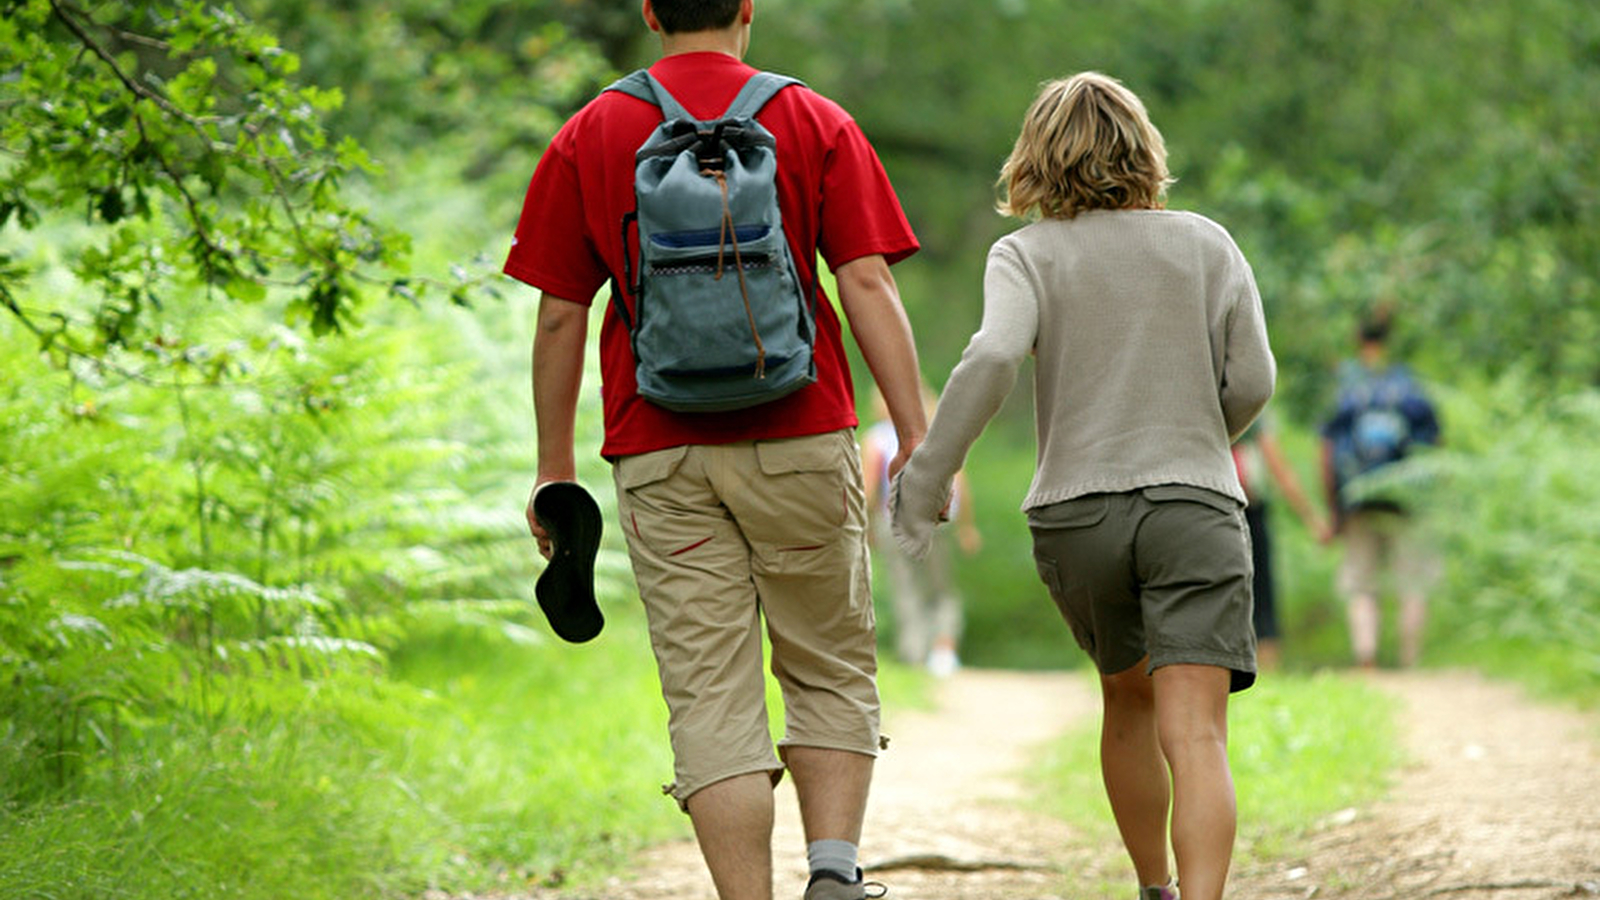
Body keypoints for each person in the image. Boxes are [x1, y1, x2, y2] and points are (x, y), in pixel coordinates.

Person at [502, 3, 928, 899]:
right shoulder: (813, 119)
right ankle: (834, 871)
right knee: (826, 659)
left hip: (659, 451)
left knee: (709, 694)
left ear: (651, 10)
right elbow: (865, 280)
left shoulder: (593, 130)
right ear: (746, 8)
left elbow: (558, 315)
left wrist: (555, 471)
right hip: (804, 435)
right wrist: (917, 438)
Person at [891, 72, 1274, 900]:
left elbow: (993, 357)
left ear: (1036, 159)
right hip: (1195, 505)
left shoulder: (1024, 254)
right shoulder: (1208, 244)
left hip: (1077, 512)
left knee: (1127, 704)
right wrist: (1200, 439)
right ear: (1146, 152)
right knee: (1198, 731)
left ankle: (1154, 888)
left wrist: (930, 476)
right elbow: (1254, 380)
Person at [1318, 312, 1441, 669]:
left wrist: (1333, 508)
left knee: (1360, 582)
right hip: (1406, 500)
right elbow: (1434, 447)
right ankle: (1409, 659)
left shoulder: (1346, 389)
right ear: (1390, 340)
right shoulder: (1410, 386)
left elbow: (1326, 452)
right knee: (1413, 580)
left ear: (1358, 338)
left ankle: (1366, 658)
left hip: (1358, 498)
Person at [861, 386, 981, 676]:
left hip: (894, 520)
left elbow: (868, 489)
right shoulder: (938, 433)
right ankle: (943, 651)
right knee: (941, 586)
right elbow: (959, 481)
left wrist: (868, 527)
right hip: (937, 519)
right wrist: (966, 526)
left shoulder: (875, 438)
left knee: (905, 586)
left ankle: (913, 654)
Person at [1232, 410, 1331, 669]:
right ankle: (1266, 668)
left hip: (1201, 507)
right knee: (1261, 592)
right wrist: (1311, 518)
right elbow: (1278, 468)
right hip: (1249, 507)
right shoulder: (1250, 411)